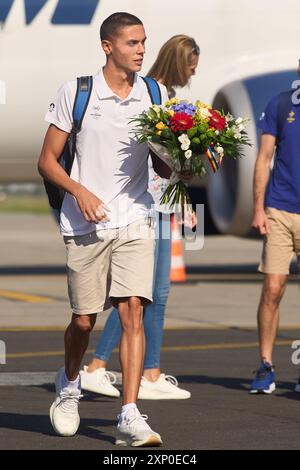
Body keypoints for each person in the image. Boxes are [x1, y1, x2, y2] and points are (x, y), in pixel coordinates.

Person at [37, 12, 183, 447]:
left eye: (143, 42)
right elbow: (46, 161)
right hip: (85, 222)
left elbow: (162, 163)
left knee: (132, 309)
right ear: (107, 46)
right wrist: (79, 192)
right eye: (132, 43)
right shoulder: (78, 92)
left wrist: (184, 157)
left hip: (136, 216)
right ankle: (68, 385)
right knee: (83, 321)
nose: (141, 50)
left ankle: (130, 413)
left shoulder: (154, 92)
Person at [80, 35, 200, 400]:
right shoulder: (156, 97)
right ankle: (101, 366)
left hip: (163, 203)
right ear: (179, 62)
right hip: (150, 204)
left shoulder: (162, 95)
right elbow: (157, 158)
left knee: (150, 294)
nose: (195, 70)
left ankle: (146, 370)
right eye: (191, 63)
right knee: (143, 294)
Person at [250, 62, 300, 394]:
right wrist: (258, 208)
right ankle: (266, 364)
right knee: (273, 289)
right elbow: (264, 157)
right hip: (280, 208)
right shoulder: (281, 103)